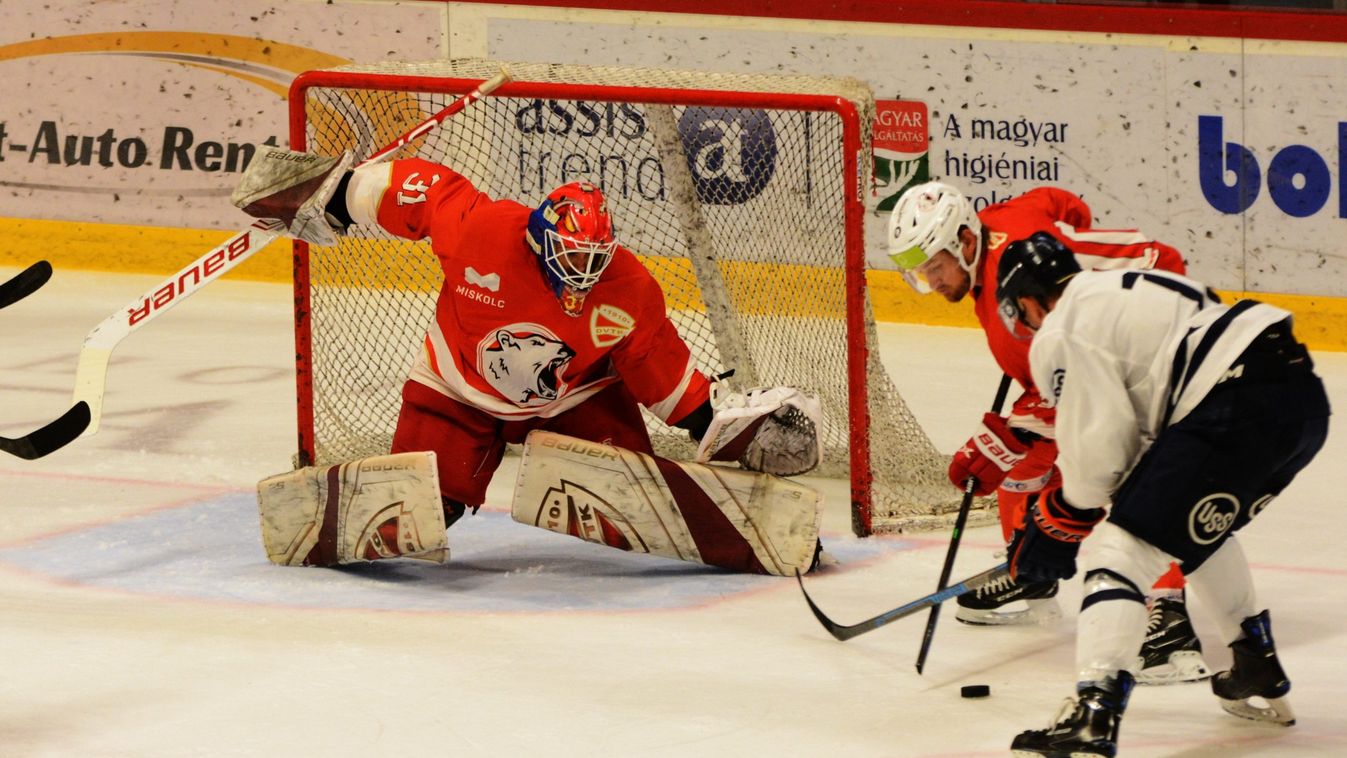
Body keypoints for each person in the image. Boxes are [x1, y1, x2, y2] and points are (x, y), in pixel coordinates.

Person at [233, 148, 824, 576]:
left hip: (574, 399)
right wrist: (338, 193)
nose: (583, 273)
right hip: (456, 387)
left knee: (635, 492)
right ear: (540, 237)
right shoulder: (482, 231)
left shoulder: (627, 289)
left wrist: (711, 423)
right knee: (422, 509)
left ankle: (747, 532)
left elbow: (657, 369)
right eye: (572, 255)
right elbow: (422, 191)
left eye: (594, 258)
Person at [997, 232, 1329, 756]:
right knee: (1189, 533)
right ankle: (1254, 663)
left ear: (1029, 300)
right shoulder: (1130, 288)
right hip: (1300, 402)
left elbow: (1099, 456)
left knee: (1119, 553)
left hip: (1233, 402)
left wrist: (1059, 519)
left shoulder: (1063, 326)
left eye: (1021, 313)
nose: (1027, 325)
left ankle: (1094, 714)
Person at [886, 181, 1208, 683]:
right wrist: (1012, 437)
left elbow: (1078, 386)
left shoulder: (1012, 290)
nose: (932, 282)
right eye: (921, 273)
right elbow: (1061, 202)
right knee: (1022, 459)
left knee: (1127, 465)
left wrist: (1008, 435)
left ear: (965, 241)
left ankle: (1167, 615)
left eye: (935, 267)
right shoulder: (998, 229)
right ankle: (1031, 573)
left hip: (1157, 336)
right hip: (1098, 352)